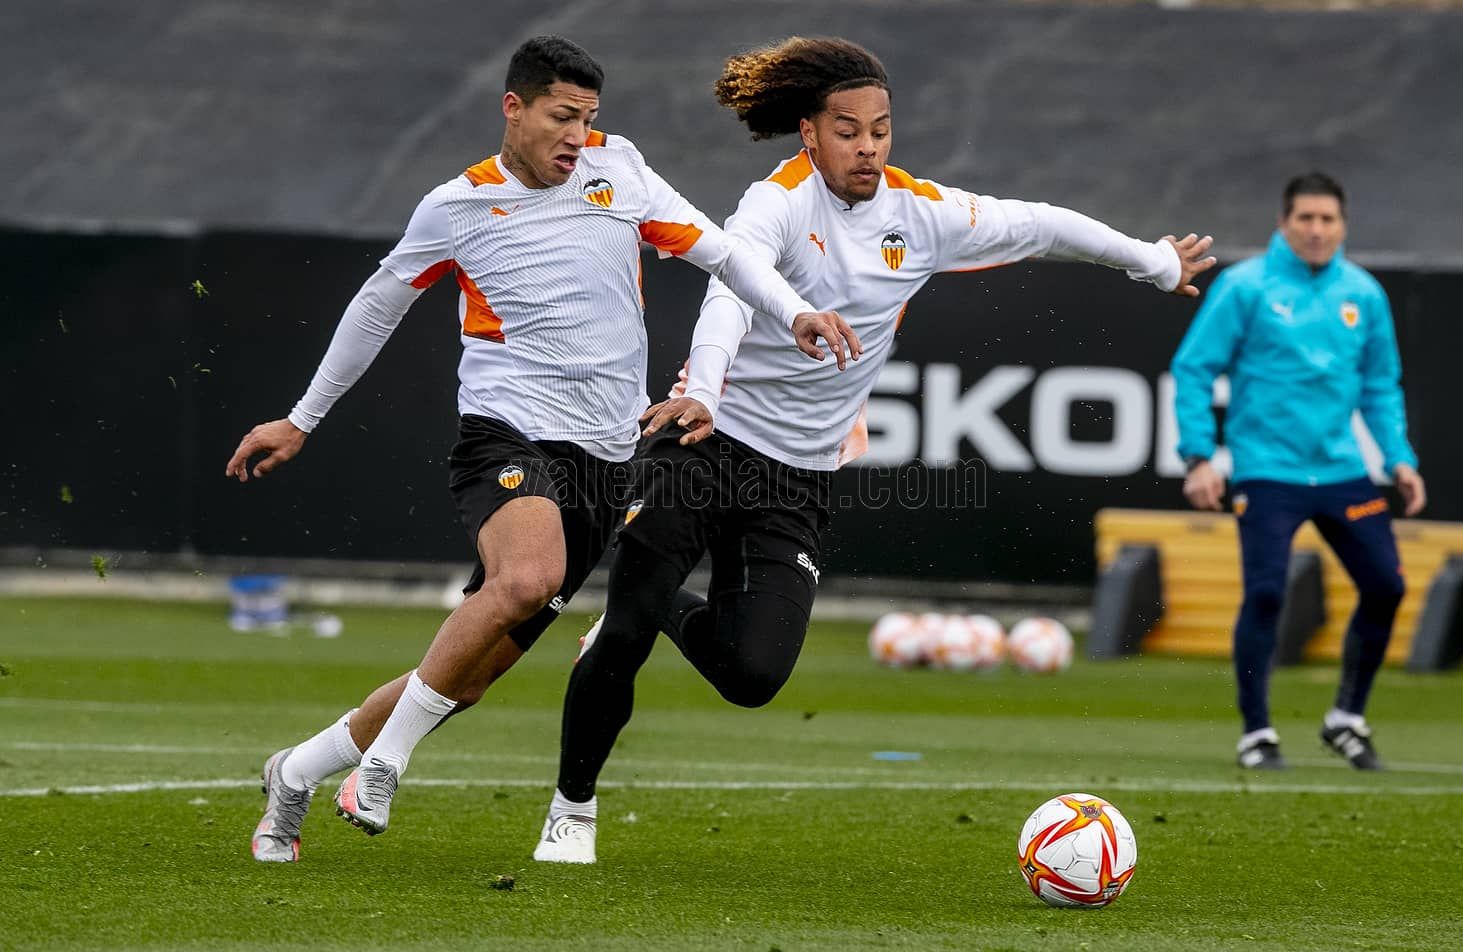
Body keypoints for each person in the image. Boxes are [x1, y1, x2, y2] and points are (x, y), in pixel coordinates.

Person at [531, 36, 1216, 864]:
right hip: (708, 440)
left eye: (882, 131)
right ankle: (572, 809)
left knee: (753, 677)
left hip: (800, 475)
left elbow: (1041, 225)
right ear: (809, 135)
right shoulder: (776, 203)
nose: (868, 148)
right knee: (628, 629)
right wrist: (704, 391)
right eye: (849, 131)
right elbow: (729, 298)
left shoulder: (918, 215)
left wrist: (1150, 262)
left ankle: (663, 603)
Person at [228, 35, 858, 863]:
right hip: (509, 436)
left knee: (472, 675)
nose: (577, 135)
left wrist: (793, 312)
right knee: (527, 578)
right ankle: (385, 761)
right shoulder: (455, 207)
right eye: (563, 116)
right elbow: (377, 306)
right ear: (513, 109)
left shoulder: (618, 171)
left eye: (589, 118)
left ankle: (296, 771)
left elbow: (721, 251)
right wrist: (303, 418)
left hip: (607, 458)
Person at [1172, 171, 1426, 772]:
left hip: (1341, 469)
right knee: (1265, 593)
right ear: (1284, 222)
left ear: (1343, 225)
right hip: (1267, 471)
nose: (1316, 230)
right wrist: (1200, 456)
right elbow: (1193, 370)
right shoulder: (1246, 287)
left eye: (1328, 219)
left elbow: (1380, 386)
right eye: (1305, 218)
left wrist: (1399, 459)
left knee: (1387, 586)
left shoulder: (1362, 294)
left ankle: (1346, 719)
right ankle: (1257, 733)